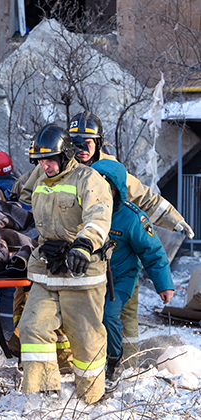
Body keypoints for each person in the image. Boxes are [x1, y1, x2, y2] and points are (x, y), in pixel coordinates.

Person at [20, 110, 193, 366]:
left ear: (98, 143)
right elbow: (25, 194)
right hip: (73, 258)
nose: (80, 148)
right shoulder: (56, 163)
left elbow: (144, 197)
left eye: (87, 142)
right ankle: (75, 362)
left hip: (117, 257)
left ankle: (128, 363)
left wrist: (174, 219)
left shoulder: (110, 169)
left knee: (125, 312)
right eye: (75, 141)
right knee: (77, 315)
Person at [18, 124, 112, 404]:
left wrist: (83, 245)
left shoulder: (89, 178)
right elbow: (23, 200)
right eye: (39, 161)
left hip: (81, 272)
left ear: (66, 155)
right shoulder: (38, 176)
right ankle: (42, 396)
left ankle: (92, 398)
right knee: (32, 326)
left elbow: (99, 215)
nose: (44, 166)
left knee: (86, 340)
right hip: (47, 269)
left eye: (49, 160)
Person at [92, 159, 174, 390]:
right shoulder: (84, 209)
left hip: (121, 278)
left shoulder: (131, 218)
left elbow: (153, 252)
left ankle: (114, 360)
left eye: (106, 186)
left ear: (116, 188)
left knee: (109, 315)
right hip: (92, 277)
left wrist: (164, 285)